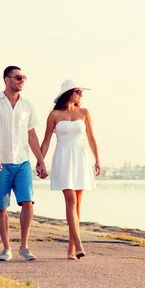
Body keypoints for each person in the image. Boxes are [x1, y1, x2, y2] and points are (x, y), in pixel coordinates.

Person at [0, 65, 48, 261]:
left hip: (22, 161)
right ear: (7, 80)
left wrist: (41, 161)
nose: (22, 80)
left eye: (24, 77)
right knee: (1, 206)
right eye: (18, 77)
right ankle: (6, 249)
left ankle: (24, 246)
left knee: (28, 202)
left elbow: (32, 135)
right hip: (1, 162)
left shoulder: (28, 106)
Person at [39, 79, 101, 260]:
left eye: (82, 92)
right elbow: (46, 141)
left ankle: (71, 248)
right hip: (63, 158)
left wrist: (97, 159)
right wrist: (41, 161)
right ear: (69, 93)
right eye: (79, 91)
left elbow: (91, 138)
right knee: (71, 200)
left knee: (78, 203)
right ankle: (79, 244)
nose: (81, 95)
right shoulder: (54, 115)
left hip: (81, 158)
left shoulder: (85, 112)